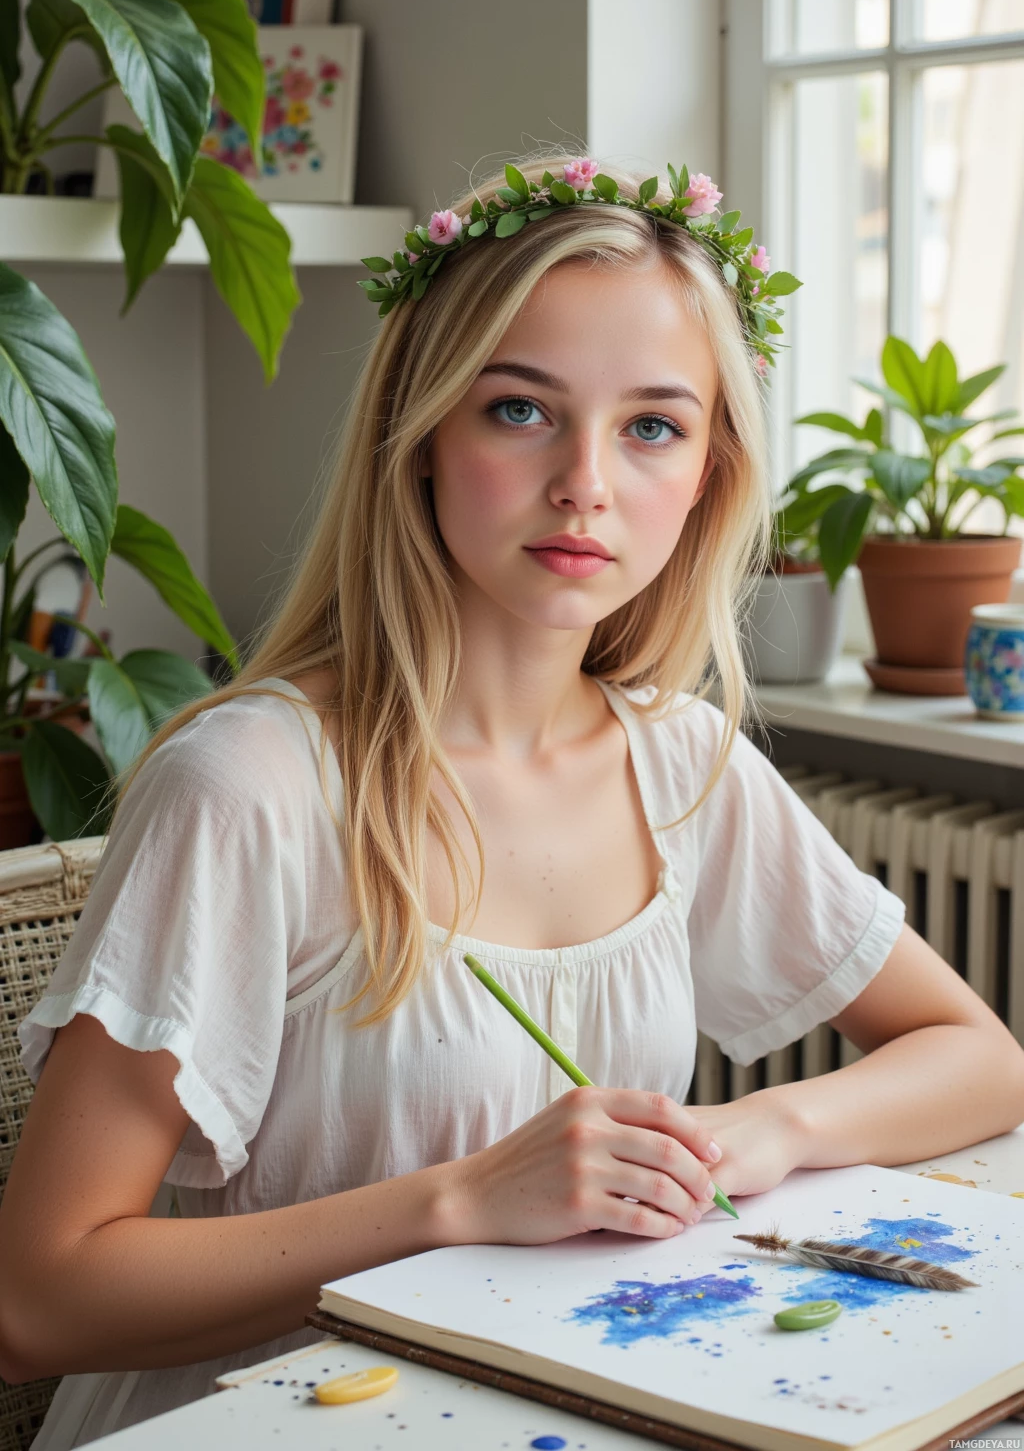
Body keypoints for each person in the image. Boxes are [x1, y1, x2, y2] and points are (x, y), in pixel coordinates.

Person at [2, 153, 1023, 1448]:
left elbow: (984, 1061)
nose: (587, 482)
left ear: (707, 477)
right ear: (421, 433)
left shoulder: (678, 763)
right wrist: (464, 1200)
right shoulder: (250, 788)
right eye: (522, 410)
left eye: (653, 425)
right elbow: (36, 1298)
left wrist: (758, 1132)